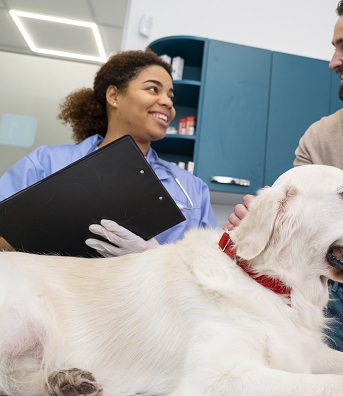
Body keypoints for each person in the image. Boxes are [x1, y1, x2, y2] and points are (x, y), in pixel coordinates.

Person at [226, 0, 343, 389]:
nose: (333, 61)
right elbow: (296, 234)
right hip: (329, 310)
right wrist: (260, 222)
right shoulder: (319, 137)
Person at [0, 50, 217, 255]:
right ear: (114, 95)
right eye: (153, 89)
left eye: (171, 96)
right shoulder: (45, 163)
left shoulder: (193, 190)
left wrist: (155, 258)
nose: (168, 103)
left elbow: (209, 267)